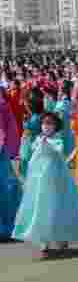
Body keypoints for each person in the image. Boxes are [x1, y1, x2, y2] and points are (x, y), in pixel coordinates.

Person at [11, 112, 78, 255]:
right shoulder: (39, 139)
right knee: (40, 206)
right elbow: (32, 153)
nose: (46, 126)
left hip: (56, 178)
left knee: (58, 205)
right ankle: (43, 240)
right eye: (44, 123)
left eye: (49, 123)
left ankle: (62, 237)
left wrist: (48, 143)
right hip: (40, 179)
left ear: (55, 126)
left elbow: (59, 150)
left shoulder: (57, 139)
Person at [0, 91, 21, 239]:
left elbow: (6, 131)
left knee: (5, 189)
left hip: (2, 152)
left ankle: (7, 227)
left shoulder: (3, 106)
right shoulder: (4, 105)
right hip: (3, 152)